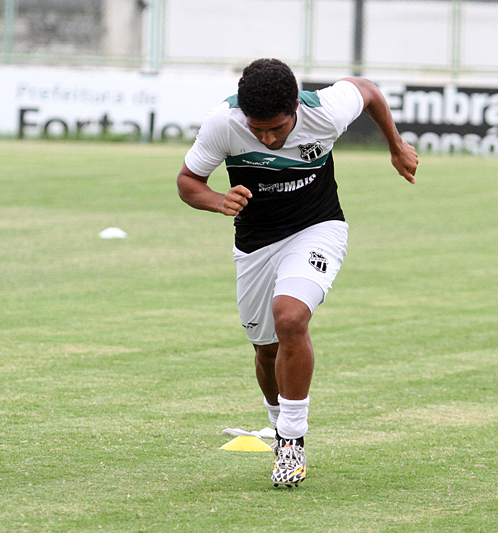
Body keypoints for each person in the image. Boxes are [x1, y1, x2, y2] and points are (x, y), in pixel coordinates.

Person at [176, 58, 417, 487]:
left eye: (278, 128)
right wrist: (217, 200)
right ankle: (276, 422)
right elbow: (188, 182)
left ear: (296, 111)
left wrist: (395, 146)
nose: (267, 138)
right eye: (257, 129)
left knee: (290, 316)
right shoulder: (222, 123)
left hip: (318, 227)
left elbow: (369, 91)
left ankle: (291, 442)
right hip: (255, 241)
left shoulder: (324, 110)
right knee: (265, 350)